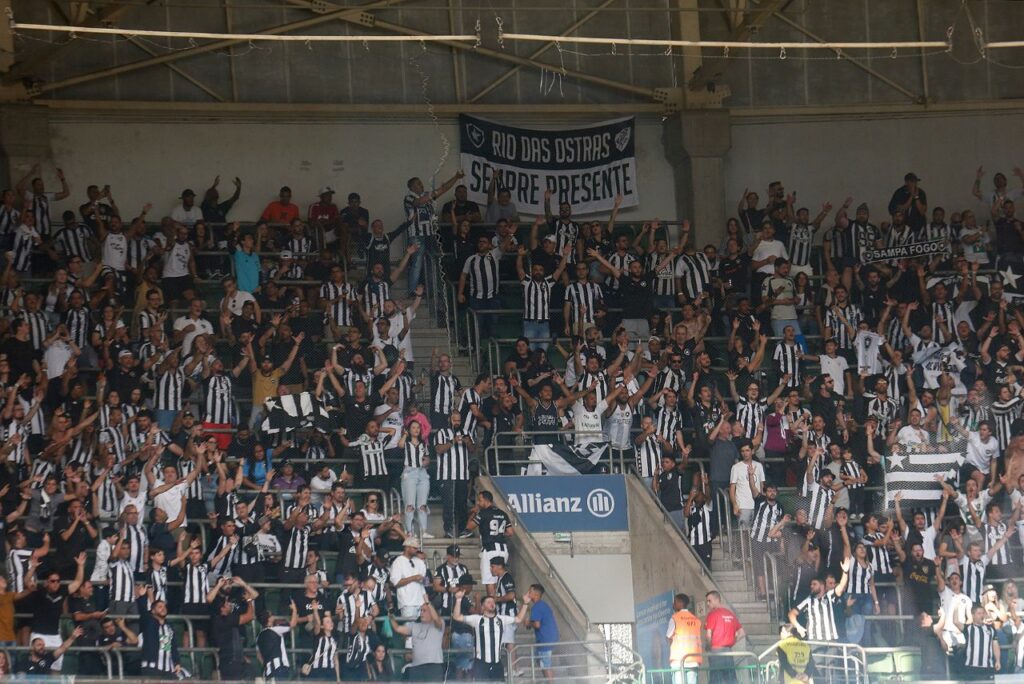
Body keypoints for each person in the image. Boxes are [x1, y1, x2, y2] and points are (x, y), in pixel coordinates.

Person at [453, 589, 523, 681]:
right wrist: (458, 600)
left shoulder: (501, 619)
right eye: (488, 602)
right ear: (482, 607)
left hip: (497, 664)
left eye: (493, 602)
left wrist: (525, 604)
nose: (492, 604)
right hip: (481, 664)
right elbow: (457, 617)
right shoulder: (477, 619)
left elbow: (518, 619)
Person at [389, 600, 445, 681]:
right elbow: (398, 629)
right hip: (416, 667)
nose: (421, 613)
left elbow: (436, 619)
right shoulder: (414, 626)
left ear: (432, 612)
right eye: (420, 610)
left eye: (424, 611)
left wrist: (428, 603)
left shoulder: (439, 624)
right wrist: (391, 617)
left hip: (434, 667)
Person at [518, 584, 559, 682]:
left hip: (546, 639)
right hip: (547, 638)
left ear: (535, 594)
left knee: (546, 663)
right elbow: (533, 624)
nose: (527, 593)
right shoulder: (541, 605)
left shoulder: (537, 607)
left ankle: (550, 682)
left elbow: (537, 624)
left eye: (529, 592)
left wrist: (528, 622)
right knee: (540, 660)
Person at [704, 591, 744, 684]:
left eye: (709, 601)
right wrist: (732, 643)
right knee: (730, 679)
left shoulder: (712, 614)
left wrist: (708, 647)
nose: (707, 604)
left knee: (715, 680)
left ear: (717, 599)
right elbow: (742, 633)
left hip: (716, 652)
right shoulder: (730, 614)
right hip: (728, 651)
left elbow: (708, 635)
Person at [16, 627, 84, 676]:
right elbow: (21, 678)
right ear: (32, 647)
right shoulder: (24, 660)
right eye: (39, 645)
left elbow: (62, 648)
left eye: (43, 645)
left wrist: (72, 637)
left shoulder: (47, 658)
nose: (42, 647)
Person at [666, 593, 702, 684]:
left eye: (674, 602)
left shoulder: (675, 618)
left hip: (678, 661)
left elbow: (668, 638)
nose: (673, 605)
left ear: (680, 602)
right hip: (693, 660)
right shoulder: (696, 619)